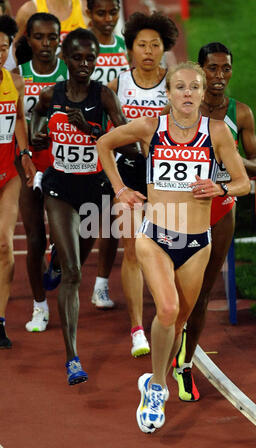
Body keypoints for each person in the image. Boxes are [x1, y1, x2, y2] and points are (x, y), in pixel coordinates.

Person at [96, 61, 250, 432]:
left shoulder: (216, 132)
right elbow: (104, 143)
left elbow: (245, 182)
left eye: (193, 87)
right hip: (156, 237)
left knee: (179, 320)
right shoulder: (152, 127)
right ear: (168, 93)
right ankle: (158, 388)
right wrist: (120, 189)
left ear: (202, 93)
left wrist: (222, 188)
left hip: (197, 242)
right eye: (179, 87)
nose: (187, 93)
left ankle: (153, 380)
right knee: (166, 308)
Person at [30, 27, 140, 385]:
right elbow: (36, 116)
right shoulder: (53, 95)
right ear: (65, 58)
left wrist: (94, 131)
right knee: (76, 275)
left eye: (90, 58)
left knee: (74, 256)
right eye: (77, 58)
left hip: (95, 191)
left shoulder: (104, 96)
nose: (84, 64)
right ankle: (72, 358)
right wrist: (38, 135)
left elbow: (131, 149)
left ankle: (57, 258)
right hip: (60, 190)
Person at [172, 43, 256, 402]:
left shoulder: (240, 114)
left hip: (222, 208)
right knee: (180, 294)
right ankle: (169, 342)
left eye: (226, 69)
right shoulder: (183, 108)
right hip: (184, 208)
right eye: (212, 69)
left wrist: (235, 160)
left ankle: (184, 364)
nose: (220, 77)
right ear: (201, 70)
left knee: (204, 293)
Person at [107, 11, 178, 357]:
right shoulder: (118, 85)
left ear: (165, 48)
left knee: (168, 248)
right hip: (130, 171)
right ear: (130, 49)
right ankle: (137, 327)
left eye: (155, 45)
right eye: (141, 45)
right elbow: (106, 131)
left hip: (167, 175)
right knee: (132, 249)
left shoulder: (175, 83)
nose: (148, 51)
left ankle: (169, 315)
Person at [14, 13, 68, 333]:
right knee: (35, 239)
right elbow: (18, 119)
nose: (46, 44)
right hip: (30, 163)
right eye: (39, 37)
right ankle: (39, 306)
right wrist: (24, 156)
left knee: (64, 236)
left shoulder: (70, 72)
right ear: (28, 39)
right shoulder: (18, 77)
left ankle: (58, 261)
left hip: (64, 164)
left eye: (52, 38)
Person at [85, 0, 130, 309]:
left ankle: (101, 285)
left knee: (111, 216)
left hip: (114, 139)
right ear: (89, 13)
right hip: (81, 139)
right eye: (100, 12)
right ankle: (61, 254)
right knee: (84, 217)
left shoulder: (125, 46)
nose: (108, 19)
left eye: (113, 12)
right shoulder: (80, 43)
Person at [0, 15, 36, 349]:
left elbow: (20, 119)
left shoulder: (15, 80)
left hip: (7, 173)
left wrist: (24, 153)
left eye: (2, 47)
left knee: (4, 245)